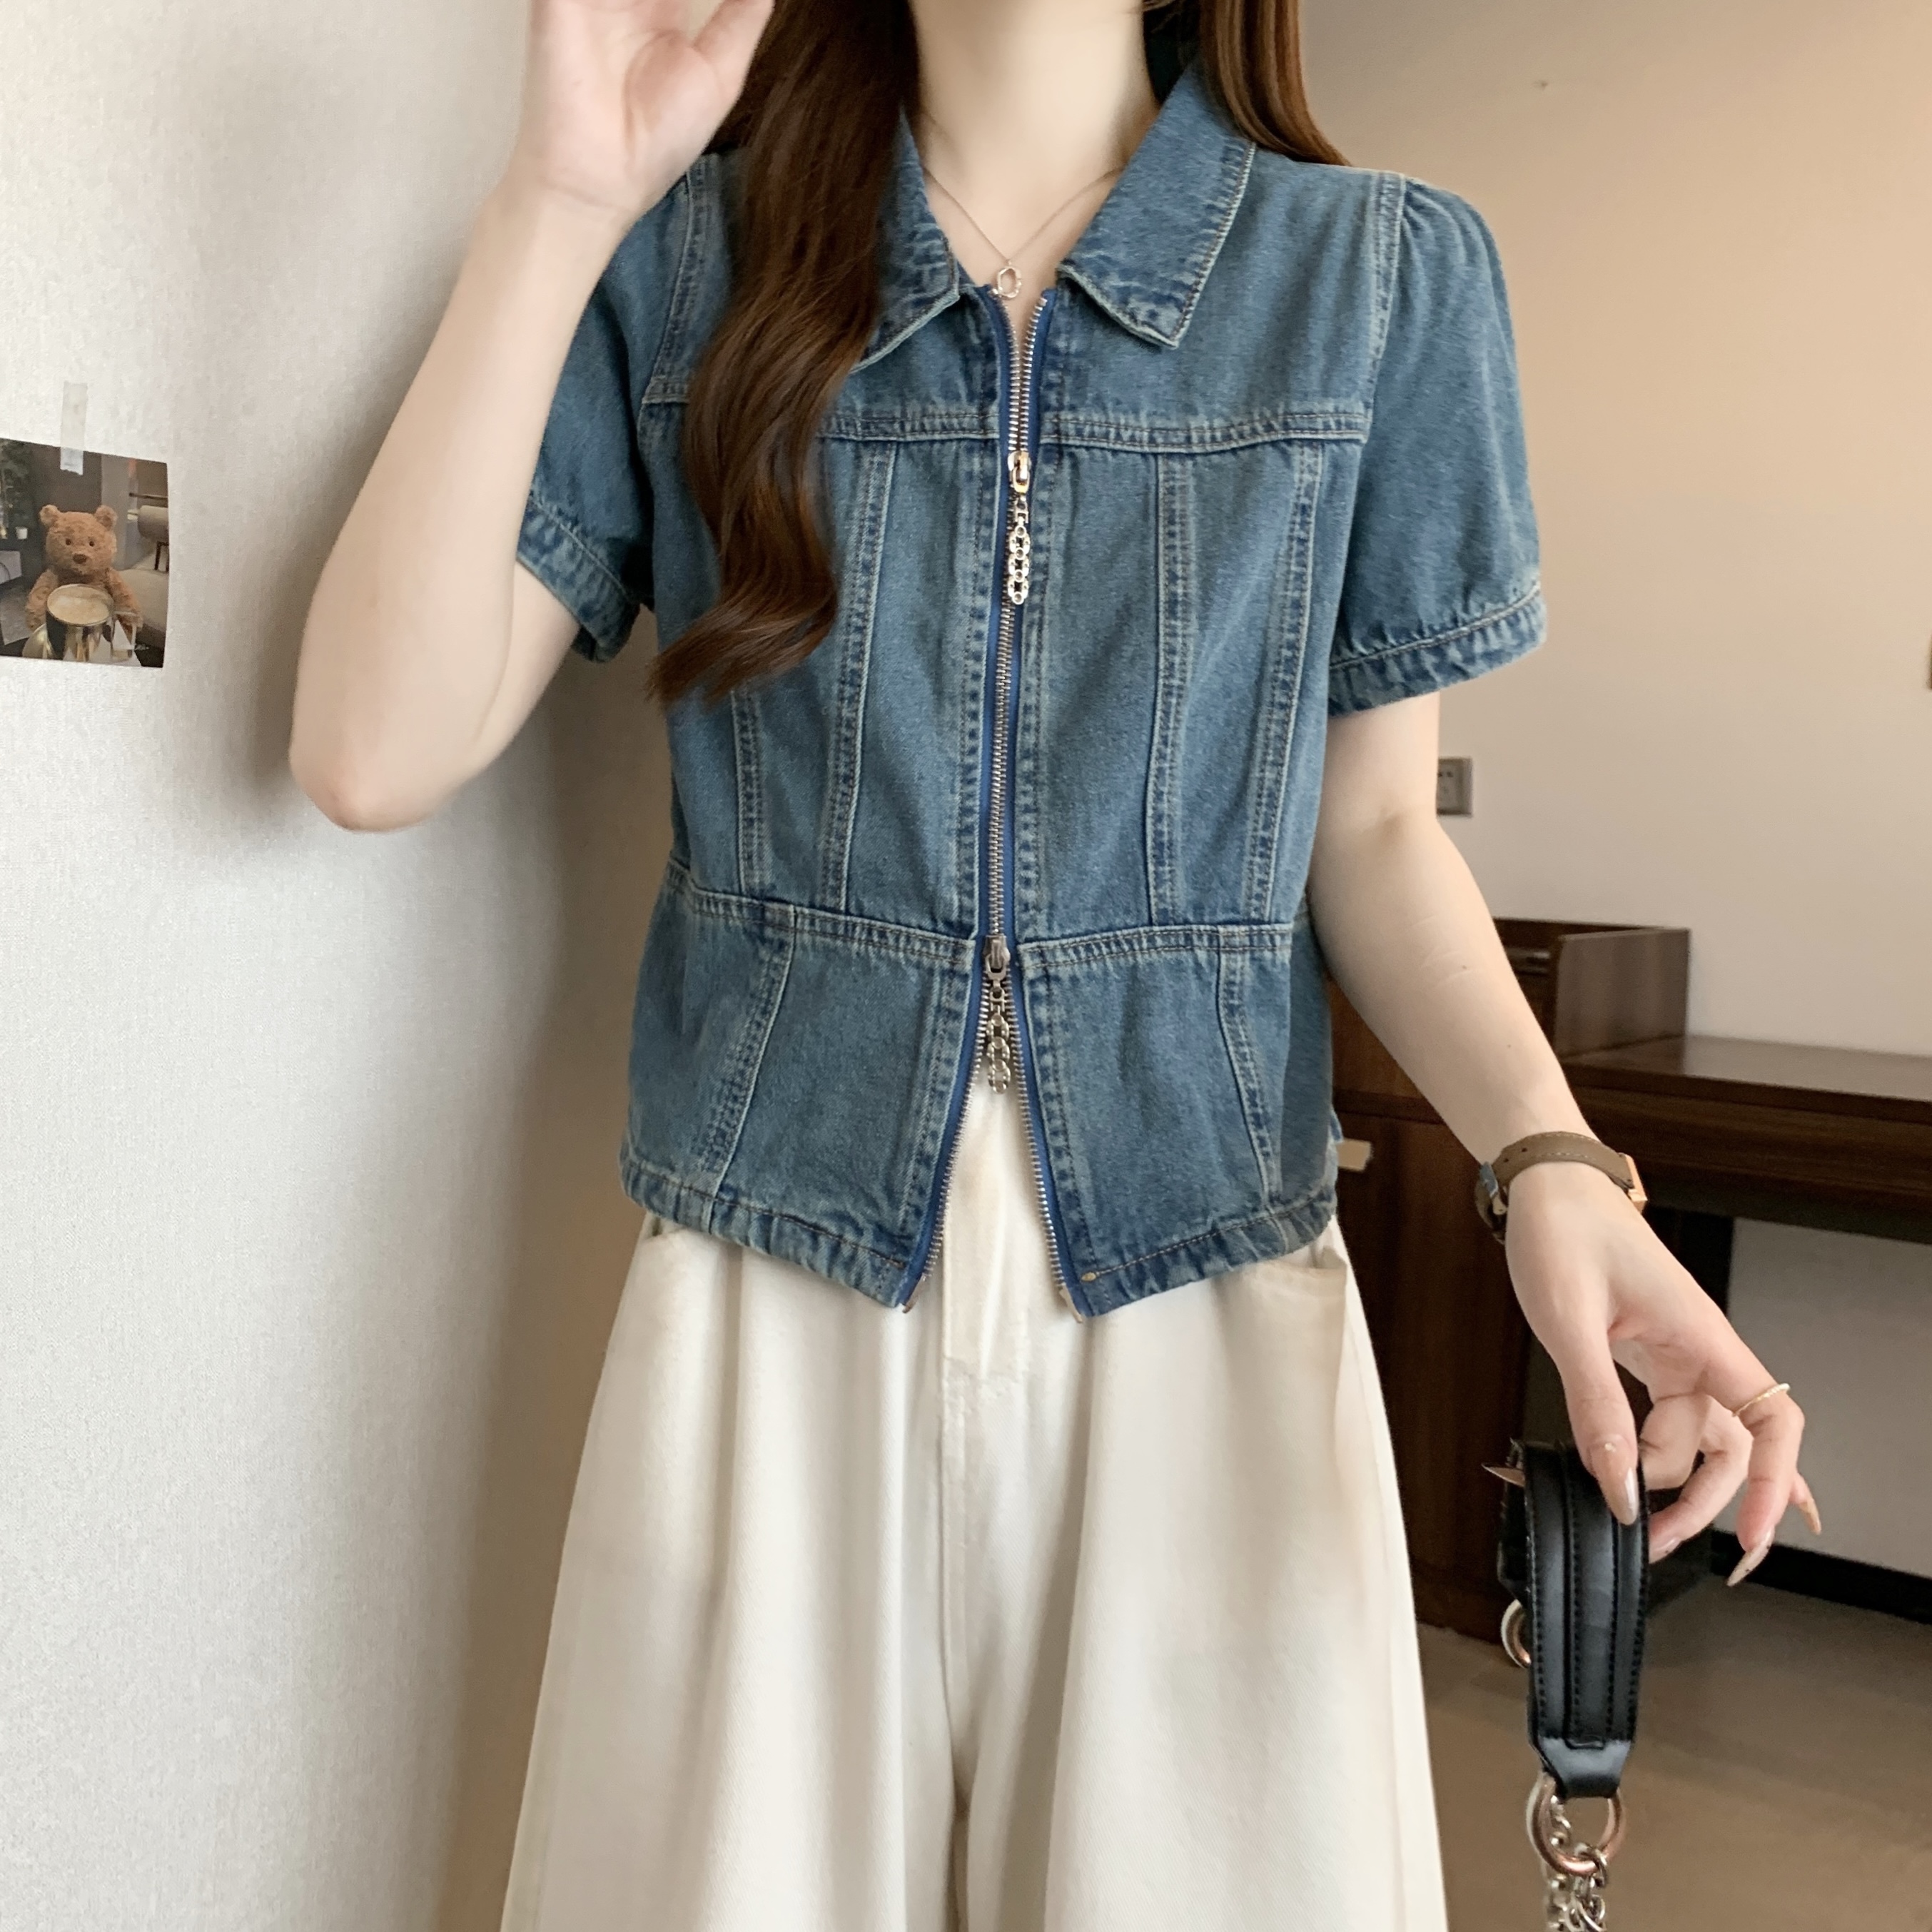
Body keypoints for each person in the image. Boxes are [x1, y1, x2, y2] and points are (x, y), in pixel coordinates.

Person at [290, 0, 1819, 1925]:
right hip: (772, 1291)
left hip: (1198, 1292)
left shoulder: (1373, 278)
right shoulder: (689, 264)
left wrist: (1552, 1162)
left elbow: (1367, 833)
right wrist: (559, 198)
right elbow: (369, 750)